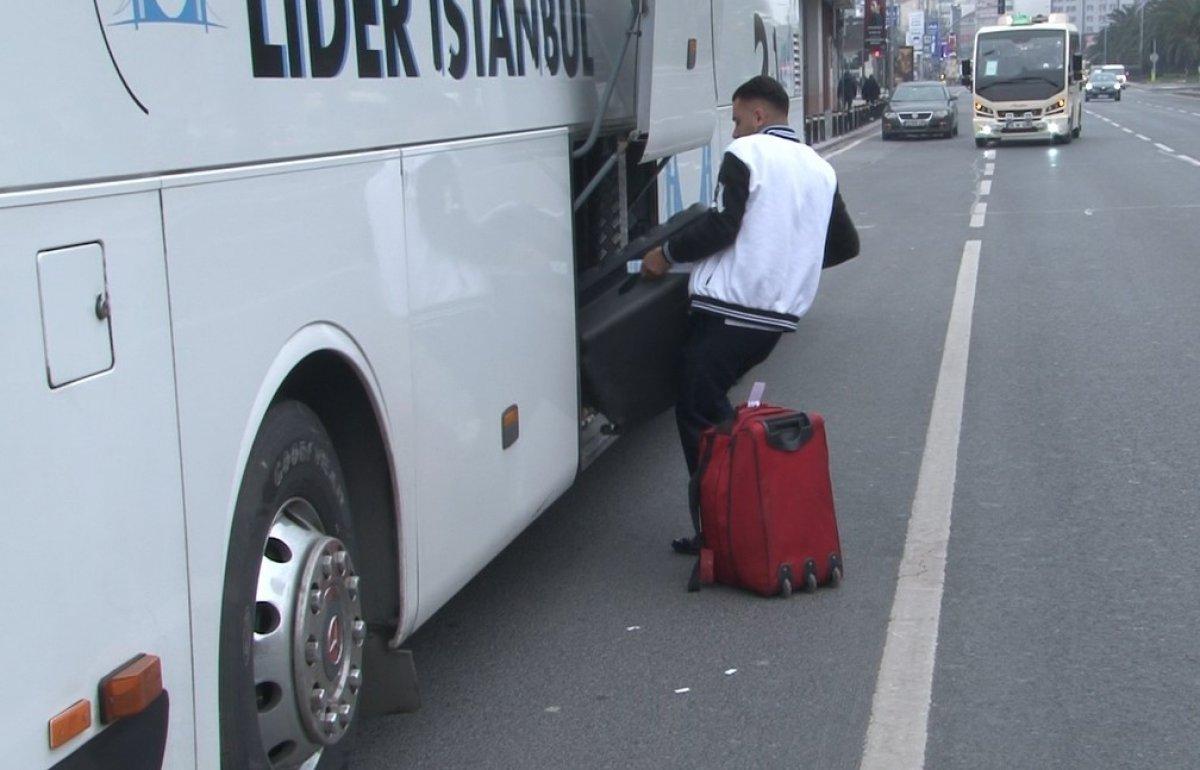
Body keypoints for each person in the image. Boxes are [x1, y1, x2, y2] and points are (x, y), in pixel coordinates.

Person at [638, 75, 859, 555]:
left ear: (758, 116)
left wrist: (667, 253)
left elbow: (721, 225)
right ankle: (738, 512)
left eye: (737, 120)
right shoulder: (820, 169)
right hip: (774, 320)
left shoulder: (748, 155)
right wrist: (786, 263)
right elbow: (845, 244)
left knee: (698, 410)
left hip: (729, 312)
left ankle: (725, 526)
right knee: (708, 406)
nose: (735, 131)